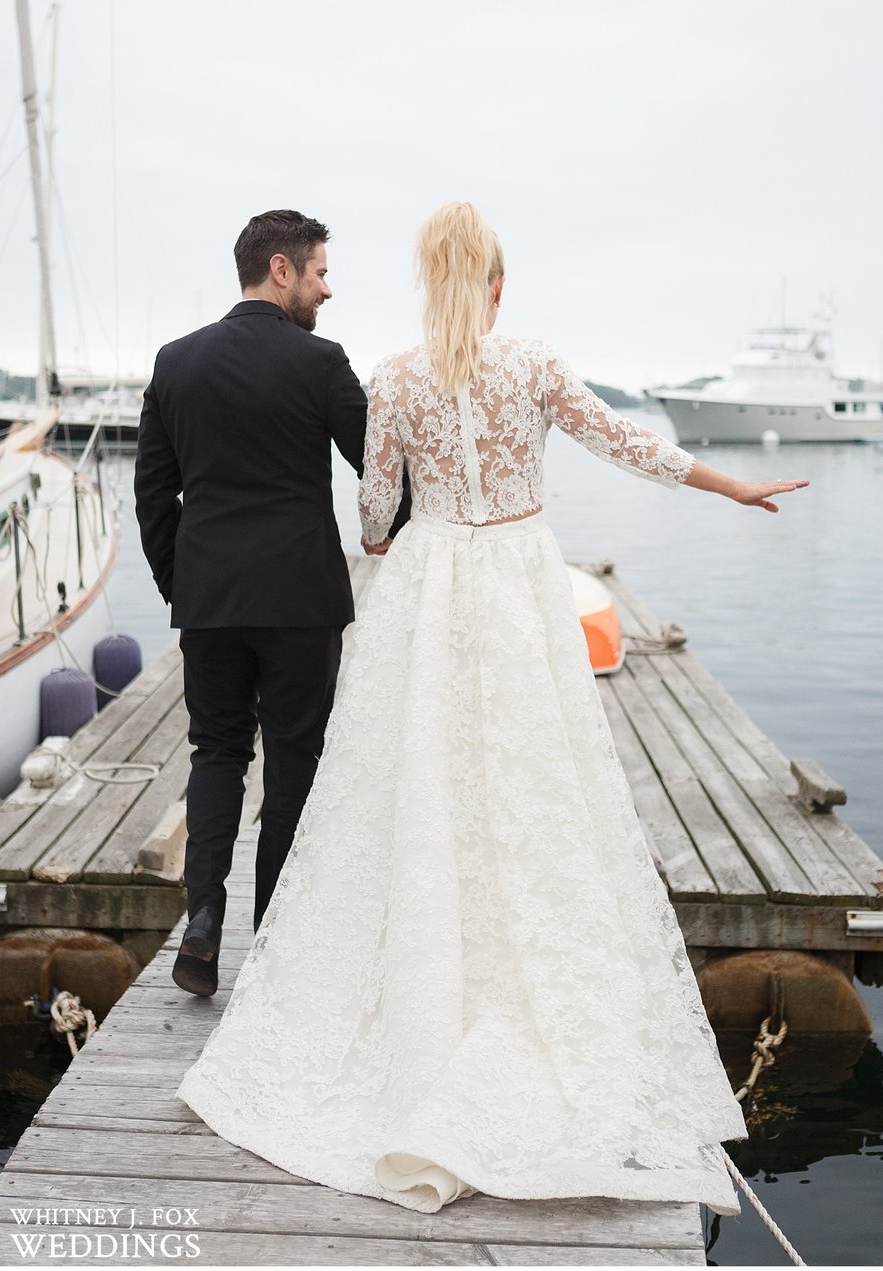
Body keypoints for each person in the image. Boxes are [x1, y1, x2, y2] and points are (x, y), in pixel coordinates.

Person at [175, 202, 810, 1216]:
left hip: (429, 586)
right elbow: (624, 443)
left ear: (431, 284)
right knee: (532, 777)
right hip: (517, 578)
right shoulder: (534, 364)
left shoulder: (391, 376)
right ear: (499, 284)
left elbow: (375, 513)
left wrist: (394, 540)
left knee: (418, 777)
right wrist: (729, 487)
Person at [134, 208, 408, 996]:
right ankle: (275, 942)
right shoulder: (319, 362)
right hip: (300, 600)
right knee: (294, 758)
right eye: (319, 271)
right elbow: (376, 473)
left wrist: (185, 585)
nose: (328, 287)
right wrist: (412, 526)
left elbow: (154, 495)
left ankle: (202, 926)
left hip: (211, 600)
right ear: (280, 270)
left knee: (217, 752)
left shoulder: (175, 362)